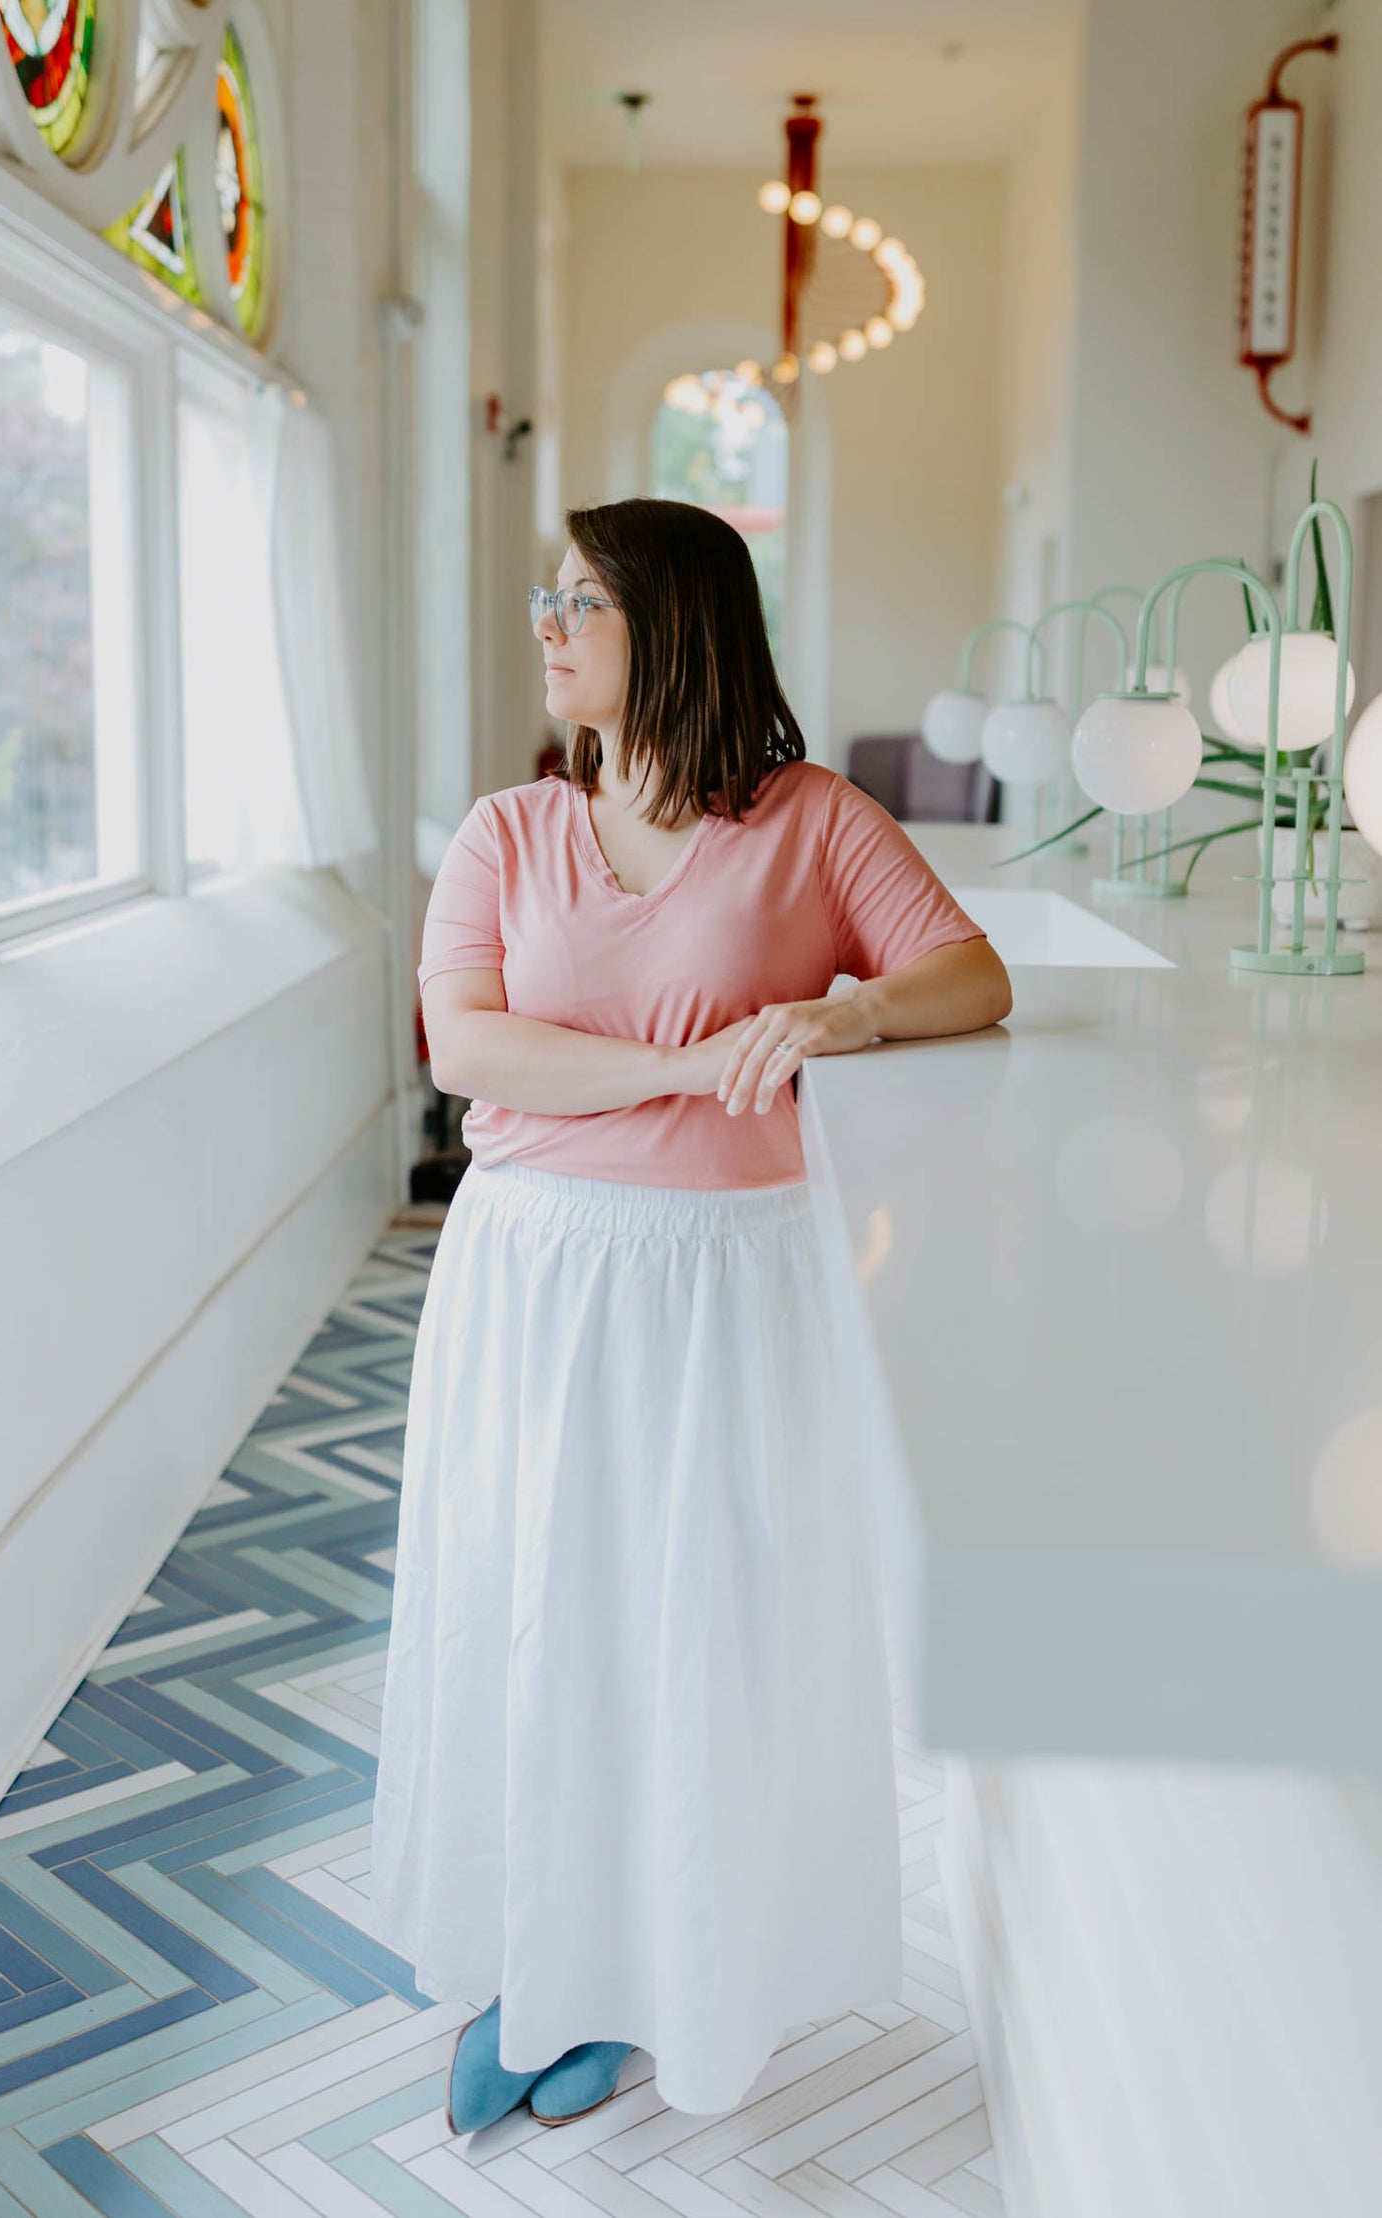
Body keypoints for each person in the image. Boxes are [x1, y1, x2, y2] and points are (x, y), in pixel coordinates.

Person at [370, 496, 1012, 2133]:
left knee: (696, 1631)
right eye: (549, 598)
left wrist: (830, 1009)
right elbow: (467, 1046)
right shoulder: (505, 831)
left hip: (731, 1285)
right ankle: (541, 1961)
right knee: (538, 1616)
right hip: (534, 1273)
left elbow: (970, 974)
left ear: (677, 621)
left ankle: (673, 1969)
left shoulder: (810, 819)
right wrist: (683, 1062)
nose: (548, 623)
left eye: (580, 599)